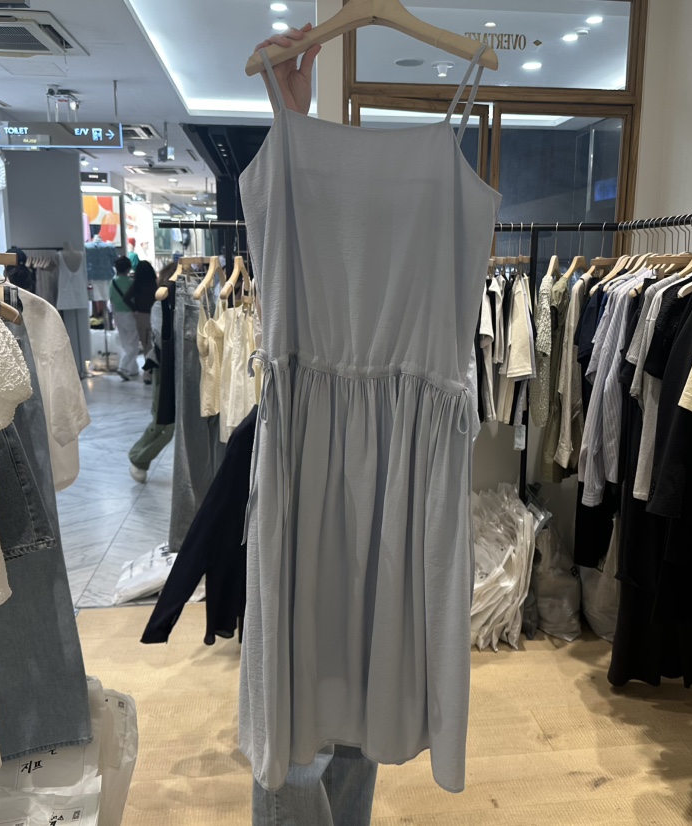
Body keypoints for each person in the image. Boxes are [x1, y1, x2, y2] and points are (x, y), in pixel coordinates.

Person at [245, 23, 380, 826]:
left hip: (390, 467)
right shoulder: (299, 177)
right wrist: (288, 120)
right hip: (303, 454)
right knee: (293, 710)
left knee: (360, 696)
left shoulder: (435, 168)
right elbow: (284, 224)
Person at [128, 262, 177, 483]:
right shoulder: (161, 305)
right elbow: (163, 342)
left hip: (184, 370)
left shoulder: (196, 301)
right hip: (164, 368)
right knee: (164, 422)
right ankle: (138, 457)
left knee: (170, 422)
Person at [124, 259, 157, 384]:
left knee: (146, 345)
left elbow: (126, 298)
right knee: (155, 344)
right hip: (155, 315)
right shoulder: (155, 284)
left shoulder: (136, 285)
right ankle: (153, 371)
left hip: (142, 316)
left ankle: (148, 373)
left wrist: (135, 308)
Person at [109, 255, 140, 380]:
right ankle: (123, 367)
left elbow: (111, 300)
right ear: (128, 268)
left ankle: (132, 369)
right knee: (133, 344)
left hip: (117, 315)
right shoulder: (131, 282)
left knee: (125, 344)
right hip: (130, 314)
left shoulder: (112, 282)